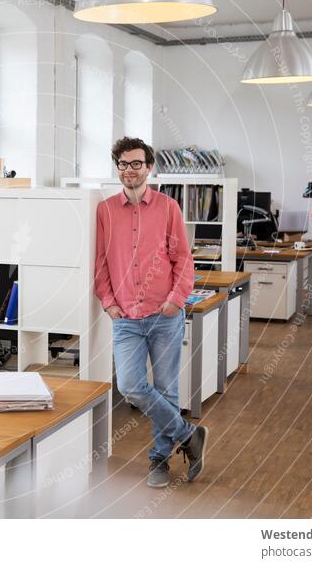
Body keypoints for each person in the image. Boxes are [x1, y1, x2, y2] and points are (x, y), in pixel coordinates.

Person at [94, 137, 208, 488]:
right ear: (118, 168)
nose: (130, 170)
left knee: (167, 389)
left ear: (149, 167)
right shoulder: (105, 210)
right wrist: (109, 302)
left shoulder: (168, 207)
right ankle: (189, 434)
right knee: (130, 386)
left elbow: (183, 259)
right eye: (123, 164)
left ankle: (159, 460)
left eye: (136, 164)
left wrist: (176, 299)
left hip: (165, 314)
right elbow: (100, 261)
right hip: (125, 316)